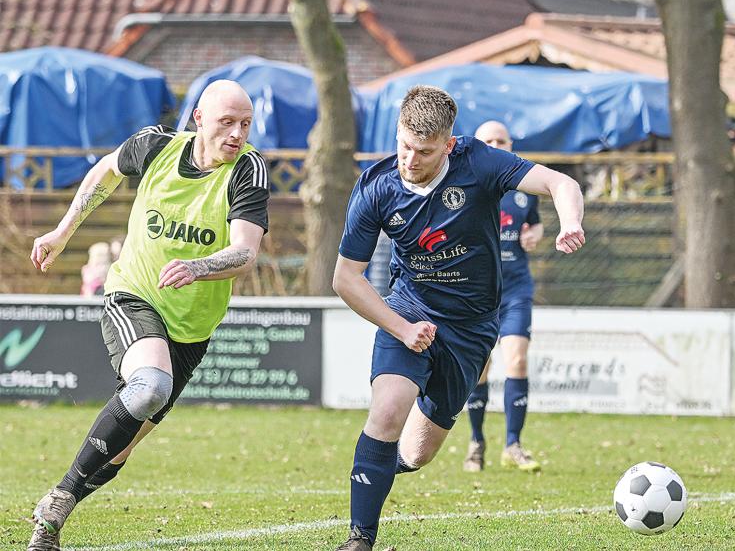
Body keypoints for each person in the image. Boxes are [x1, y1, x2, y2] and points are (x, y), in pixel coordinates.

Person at [332, 85, 584, 550]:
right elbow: (346, 278)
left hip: (472, 328)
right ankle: (359, 538)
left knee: (417, 453)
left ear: (449, 145)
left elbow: (561, 184)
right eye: (404, 146)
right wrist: (402, 328)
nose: (410, 159)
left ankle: (380, 463)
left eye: (424, 152)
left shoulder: (480, 164)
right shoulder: (376, 188)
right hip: (411, 310)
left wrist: (569, 223)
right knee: (387, 410)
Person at [26, 80, 270, 550]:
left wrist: (197, 266)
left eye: (245, 124)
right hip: (134, 295)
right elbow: (105, 171)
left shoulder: (249, 170)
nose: (237, 134)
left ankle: (52, 518)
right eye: (226, 123)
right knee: (149, 387)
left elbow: (245, 253)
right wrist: (61, 233)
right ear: (199, 118)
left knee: (117, 454)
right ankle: (58, 501)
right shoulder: (155, 146)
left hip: (192, 330)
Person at [462, 121, 544, 473]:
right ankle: (476, 442)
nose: (495, 144)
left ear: (510, 144)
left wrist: (535, 233)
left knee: (518, 361)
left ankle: (513, 444)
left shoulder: (525, 187)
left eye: (501, 140)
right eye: (488, 140)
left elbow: (536, 221)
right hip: (479, 292)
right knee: (480, 369)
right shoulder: (466, 185)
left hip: (515, 289)